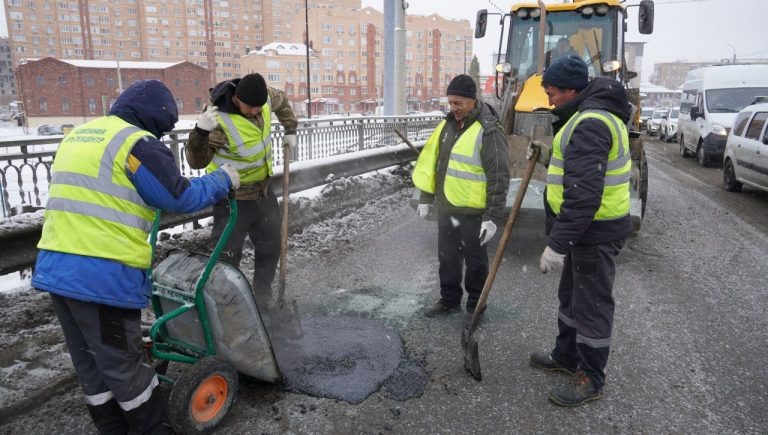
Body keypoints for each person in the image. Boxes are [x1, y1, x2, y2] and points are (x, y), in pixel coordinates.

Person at [31, 80, 239, 433]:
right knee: (124, 365)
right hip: (101, 276)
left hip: (57, 269)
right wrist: (222, 180)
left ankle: (112, 428)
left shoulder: (82, 135)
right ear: (153, 119)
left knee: (90, 363)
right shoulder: (135, 143)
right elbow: (179, 196)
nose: (160, 136)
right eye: (161, 129)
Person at [527, 55, 632, 407]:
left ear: (571, 89)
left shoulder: (591, 122)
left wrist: (557, 244)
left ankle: (590, 378)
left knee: (591, 305)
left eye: (553, 92)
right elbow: (575, 168)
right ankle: (567, 356)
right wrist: (545, 156)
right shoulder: (584, 117)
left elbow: (584, 195)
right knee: (572, 296)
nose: (550, 99)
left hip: (595, 230)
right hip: (585, 230)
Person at [186, 73, 298, 308]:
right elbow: (197, 162)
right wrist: (200, 132)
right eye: (250, 108)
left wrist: (290, 129)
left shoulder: (264, 97)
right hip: (232, 199)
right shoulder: (218, 119)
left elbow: (282, 101)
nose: (255, 112)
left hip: (262, 191)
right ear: (236, 99)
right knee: (228, 255)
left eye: (259, 107)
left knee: (270, 244)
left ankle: (262, 294)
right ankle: (229, 304)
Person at [412, 74, 510, 322]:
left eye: (458, 103)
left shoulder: (489, 131)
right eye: (450, 102)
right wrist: (426, 196)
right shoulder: (446, 127)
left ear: (472, 101)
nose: (453, 108)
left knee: (475, 263)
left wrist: (492, 216)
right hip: (447, 208)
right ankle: (449, 300)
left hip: (474, 212)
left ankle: (476, 306)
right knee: (447, 258)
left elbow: (499, 175)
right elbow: (436, 164)